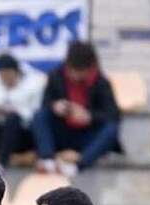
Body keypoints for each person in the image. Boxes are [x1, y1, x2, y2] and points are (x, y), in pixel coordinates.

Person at [32, 41, 120, 177]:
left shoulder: (101, 82)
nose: (75, 75)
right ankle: (47, 160)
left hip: (87, 135)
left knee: (111, 129)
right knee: (40, 115)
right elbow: (45, 104)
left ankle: (78, 166)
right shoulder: (56, 76)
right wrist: (55, 106)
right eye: (73, 70)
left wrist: (90, 116)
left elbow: (113, 115)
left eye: (80, 71)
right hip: (62, 130)